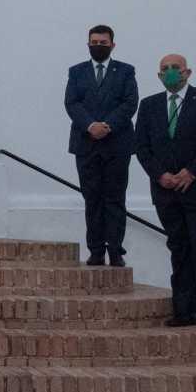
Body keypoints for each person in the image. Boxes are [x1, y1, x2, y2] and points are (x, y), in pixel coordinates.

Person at [135, 54, 196, 330]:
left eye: (176, 68)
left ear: (188, 72)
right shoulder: (149, 105)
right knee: (179, 248)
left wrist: (192, 171)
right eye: (165, 69)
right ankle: (184, 309)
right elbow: (142, 146)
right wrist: (160, 174)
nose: (171, 72)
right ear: (159, 75)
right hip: (167, 192)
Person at [63, 25, 139, 266]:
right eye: (94, 42)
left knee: (115, 198)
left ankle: (115, 250)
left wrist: (106, 125)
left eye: (103, 42)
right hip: (86, 144)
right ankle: (96, 250)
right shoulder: (76, 72)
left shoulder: (126, 71)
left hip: (117, 144)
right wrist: (90, 126)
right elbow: (71, 103)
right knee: (92, 198)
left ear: (112, 45)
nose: (98, 46)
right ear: (88, 44)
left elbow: (130, 103)